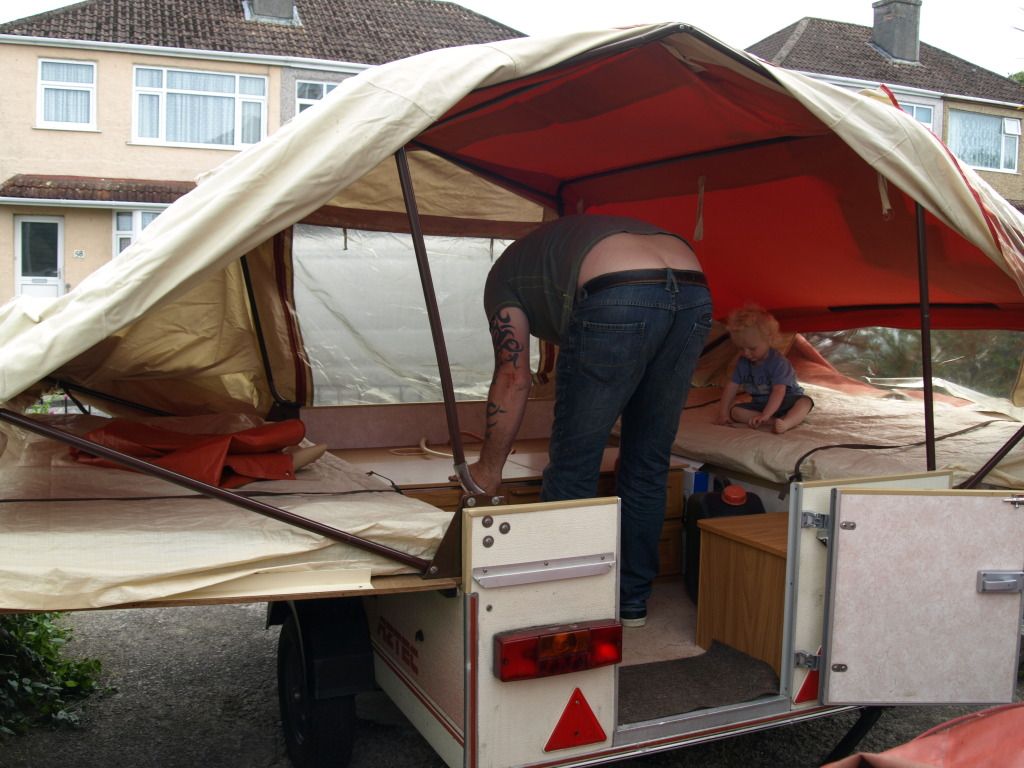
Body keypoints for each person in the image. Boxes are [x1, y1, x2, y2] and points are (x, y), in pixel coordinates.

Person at [465, 214, 713, 627]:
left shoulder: (501, 282)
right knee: (648, 461)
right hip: (692, 287)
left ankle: (567, 606)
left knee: (573, 464)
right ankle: (631, 602)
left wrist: (488, 469)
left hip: (616, 288)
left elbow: (514, 376)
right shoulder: (550, 258)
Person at [714, 305, 813, 433]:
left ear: (769, 340)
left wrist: (765, 414)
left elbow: (778, 391)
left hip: (786, 401)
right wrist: (723, 413)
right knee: (735, 412)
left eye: (752, 348)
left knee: (805, 402)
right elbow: (731, 386)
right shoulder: (743, 362)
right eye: (741, 348)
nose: (746, 353)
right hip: (762, 404)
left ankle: (787, 423)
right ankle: (772, 422)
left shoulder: (778, 362)